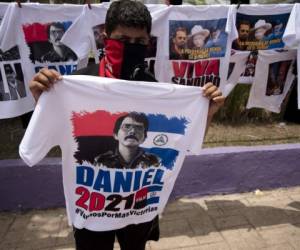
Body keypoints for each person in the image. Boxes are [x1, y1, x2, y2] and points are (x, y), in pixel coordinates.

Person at [29, 1, 225, 249]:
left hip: (139, 208)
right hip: (92, 210)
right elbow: (47, 138)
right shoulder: (77, 83)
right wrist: (43, 102)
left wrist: (207, 113)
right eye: (123, 39)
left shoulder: (154, 89)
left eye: (139, 42)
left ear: (147, 43)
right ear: (105, 37)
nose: (131, 47)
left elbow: (183, 144)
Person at [94, 112, 160, 169]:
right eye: (127, 126)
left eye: (139, 128)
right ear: (115, 135)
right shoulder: (102, 161)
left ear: (144, 138)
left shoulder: (154, 162)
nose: (132, 131)